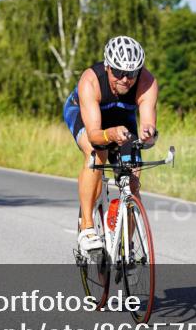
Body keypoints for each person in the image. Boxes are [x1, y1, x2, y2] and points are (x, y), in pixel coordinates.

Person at [63, 36, 159, 254]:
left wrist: (148, 135)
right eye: (118, 72)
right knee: (96, 153)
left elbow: (147, 124)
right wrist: (111, 135)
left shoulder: (147, 82)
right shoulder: (91, 81)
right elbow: (96, 136)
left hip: (122, 118)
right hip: (85, 116)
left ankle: (128, 247)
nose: (125, 79)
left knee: (133, 178)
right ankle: (87, 228)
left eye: (132, 73)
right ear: (107, 66)